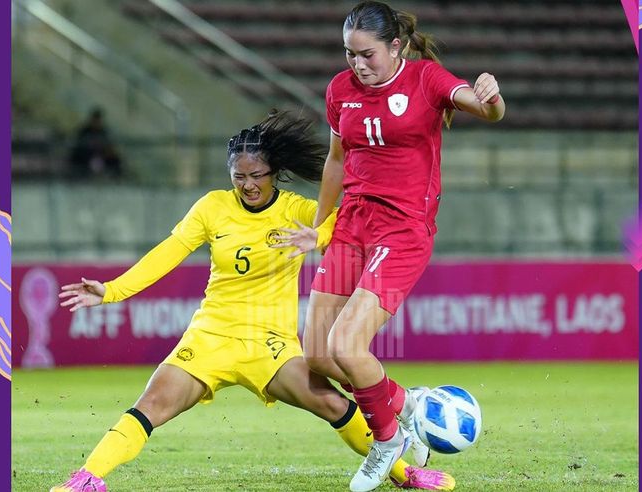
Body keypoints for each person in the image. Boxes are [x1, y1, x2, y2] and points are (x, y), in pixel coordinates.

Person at [51, 111, 452, 492]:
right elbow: (168, 252)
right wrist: (113, 289)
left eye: (256, 175)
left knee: (333, 405)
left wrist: (319, 235)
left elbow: (343, 220)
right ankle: (88, 477)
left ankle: (404, 473)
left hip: (271, 344)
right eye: (238, 176)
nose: (247, 184)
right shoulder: (213, 207)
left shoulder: (297, 210)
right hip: (212, 335)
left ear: (274, 172)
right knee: (151, 404)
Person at [280, 3, 505, 491]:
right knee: (317, 354)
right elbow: (337, 162)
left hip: (402, 231)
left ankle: (387, 440)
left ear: (396, 46)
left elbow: (486, 110)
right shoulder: (341, 91)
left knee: (346, 344)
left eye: (367, 54)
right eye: (349, 54)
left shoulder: (426, 80)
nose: (357, 65)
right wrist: (320, 228)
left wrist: (491, 96)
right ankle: (407, 404)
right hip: (352, 227)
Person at [69, 107, 122, 178]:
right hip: (86, 156)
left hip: (101, 155)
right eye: (95, 120)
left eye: (98, 120)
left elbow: (109, 145)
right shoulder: (84, 131)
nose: (97, 123)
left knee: (115, 160)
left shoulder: (104, 132)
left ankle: (115, 178)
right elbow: (78, 145)